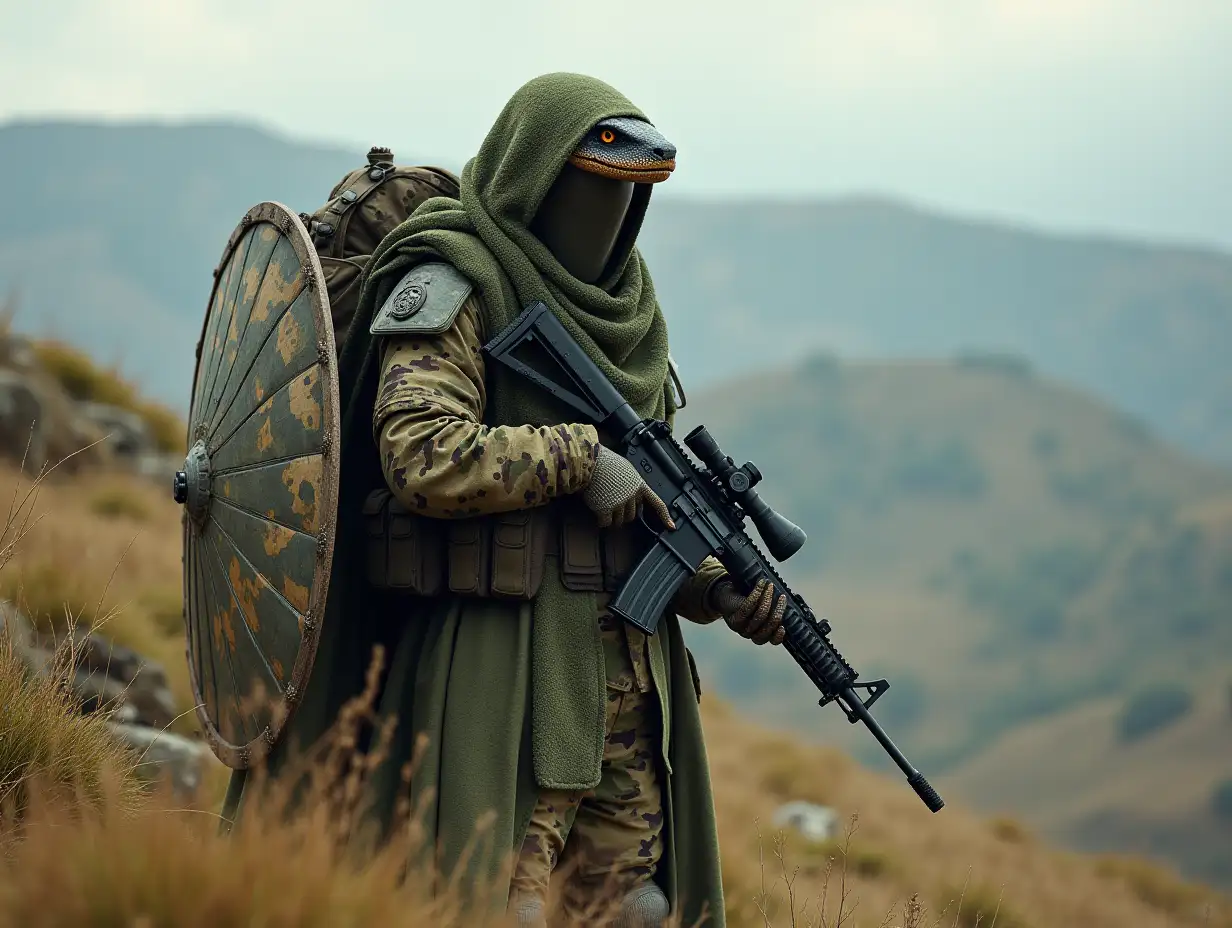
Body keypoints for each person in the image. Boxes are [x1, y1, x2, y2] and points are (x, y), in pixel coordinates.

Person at [230, 72, 787, 928]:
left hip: (631, 696)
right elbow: (421, 455)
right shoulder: (454, 275)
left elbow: (647, 520)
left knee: (634, 911)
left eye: (630, 199)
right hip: (502, 674)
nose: (612, 219)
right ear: (539, 174)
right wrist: (578, 454)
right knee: (491, 907)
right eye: (597, 191)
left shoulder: (630, 314)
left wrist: (712, 587)